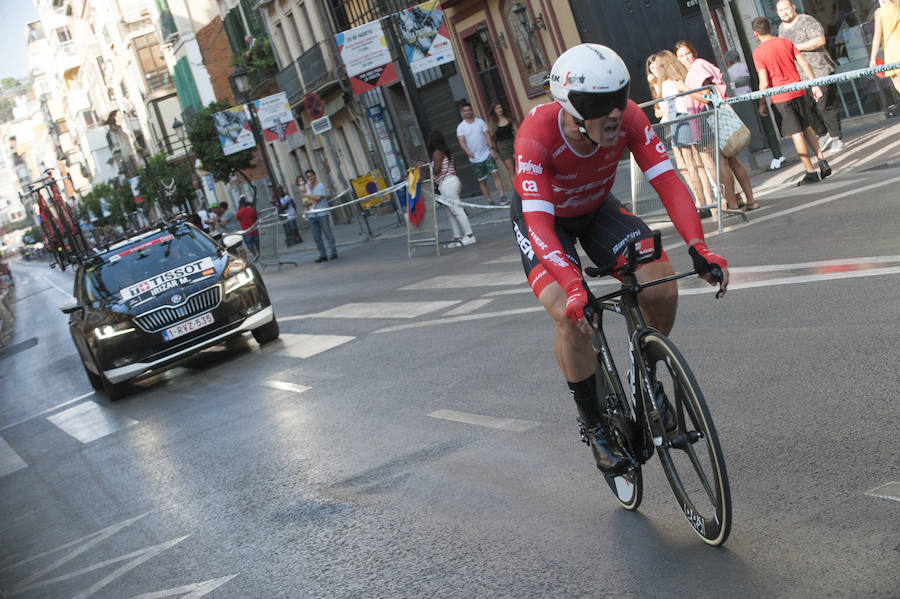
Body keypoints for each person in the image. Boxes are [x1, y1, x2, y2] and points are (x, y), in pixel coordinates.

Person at [511, 43, 729, 473]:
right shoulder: (536, 135)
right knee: (569, 314)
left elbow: (667, 180)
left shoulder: (629, 117)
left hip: (596, 209)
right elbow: (538, 224)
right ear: (572, 109)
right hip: (545, 220)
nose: (615, 112)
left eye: (620, 96)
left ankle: (646, 381)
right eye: (599, 103)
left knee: (661, 284)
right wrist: (575, 288)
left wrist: (699, 246)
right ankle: (594, 425)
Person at [675, 40, 760, 211]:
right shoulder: (696, 68)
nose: (686, 58)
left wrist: (685, 89)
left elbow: (707, 97)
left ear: (693, 52)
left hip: (713, 119)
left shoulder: (698, 67)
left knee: (722, 163)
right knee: (732, 160)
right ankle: (748, 200)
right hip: (715, 117)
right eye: (681, 56)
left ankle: (734, 204)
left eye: (687, 53)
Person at [750, 18, 832, 186]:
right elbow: (804, 63)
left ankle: (810, 171)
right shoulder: (786, 42)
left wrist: (761, 102)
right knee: (807, 127)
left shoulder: (758, 53)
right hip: (799, 91)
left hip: (781, 97)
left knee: (797, 133)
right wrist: (813, 84)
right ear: (770, 28)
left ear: (755, 34)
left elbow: (764, 82)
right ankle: (821, 159)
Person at [648, 50, 715, 216]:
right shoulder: (682, 77)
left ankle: (703, 203)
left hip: (680, 120)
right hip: (691, 117)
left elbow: (664, 109)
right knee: (698, 162)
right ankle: (708, 201)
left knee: (691, 164)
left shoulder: (668, 84)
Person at [776, 0, 844, 153]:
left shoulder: (807, 20)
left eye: (786, 9)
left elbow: (820, 40)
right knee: (806, 109)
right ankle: (823, 134)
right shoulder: (781, 29)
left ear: (793, 8)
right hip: (799, 76)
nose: (784, 12)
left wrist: (795, 47)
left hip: (819, 70)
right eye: (780, 10)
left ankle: (836, 137)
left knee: (826, 105)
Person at [428, 130, 476, 247]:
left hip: (446, 184)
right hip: (453, 181)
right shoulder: (447, 152)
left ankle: (469, 235)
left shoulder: (437, 153)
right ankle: (457, 237)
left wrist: (429, 168)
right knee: (451, 212)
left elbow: (437, 170)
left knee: (457, 210)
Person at [456, 101, 509, 205]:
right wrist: (468, 152)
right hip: (474, 158)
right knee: (482, 180)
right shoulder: (461, 127)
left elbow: (487, 135)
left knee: (495, 173)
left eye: (469, 110)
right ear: (462, 113)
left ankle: (502, 196)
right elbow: (461, 141)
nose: (468, 112)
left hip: (486, 153)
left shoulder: (480, 122)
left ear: (472, 110)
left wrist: (492, 149)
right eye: (465, 111)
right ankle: (490, 201)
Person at [302, 169, 338, 263]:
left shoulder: (320, 186)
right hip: (312, 216)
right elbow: (304, 203)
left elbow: (318, 198)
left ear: (315, 175)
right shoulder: (307, 189)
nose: (310, 178)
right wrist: (308, 196)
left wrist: (307, 196)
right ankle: (323, 254)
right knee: (316, 236)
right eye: (308, 177)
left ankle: (333, 251)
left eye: (311, 176)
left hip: (322, 213)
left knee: (327, 233)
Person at [870, 0, 900, 98]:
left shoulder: (880, 12)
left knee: (898, 82)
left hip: (893, 51)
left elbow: (877, 36)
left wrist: (872, 57)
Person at [489, 102, 518, 183]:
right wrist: (493, 150)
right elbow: (492, 138)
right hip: (502, 146)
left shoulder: (509, 118)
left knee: (520, 167)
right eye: (497, 108)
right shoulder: (493, 123)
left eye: (500, 107)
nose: (500, 110)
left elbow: (517, 131)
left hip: (513, 142)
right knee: (510, 168)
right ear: (494, 111)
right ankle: (517, 191)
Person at [235, 196, 260, 261]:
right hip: (254, 229)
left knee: (249, 244)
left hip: (246, 231)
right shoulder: (251, 210)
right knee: (257, 242)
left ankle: (254, 254)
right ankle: (259, 252)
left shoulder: (239, 213)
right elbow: (256, 217)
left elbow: (237, 219)